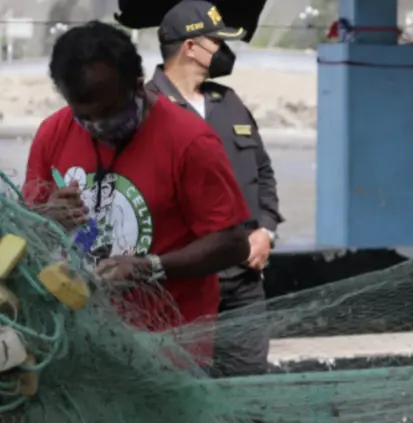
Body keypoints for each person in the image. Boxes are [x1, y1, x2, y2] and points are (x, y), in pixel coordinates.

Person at [22, 21, 250, 366]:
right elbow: (23, 233)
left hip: (169, 350)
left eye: (110, 112)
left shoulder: (190, 142)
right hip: (78, 345)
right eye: (85, 117)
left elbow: (233, 243)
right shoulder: (53, 132)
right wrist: (47, 217)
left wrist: (149, 266)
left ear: (137, 85)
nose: (98, 126)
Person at [148, 0, 282, 378]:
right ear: (190, 47)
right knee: (182, 396)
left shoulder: (229, 103)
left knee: (248, 395)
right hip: (181, 290)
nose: (224, 51)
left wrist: (265, 231)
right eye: (216, 42)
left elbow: (264, 173)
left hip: (242, 287)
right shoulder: (146, 111)